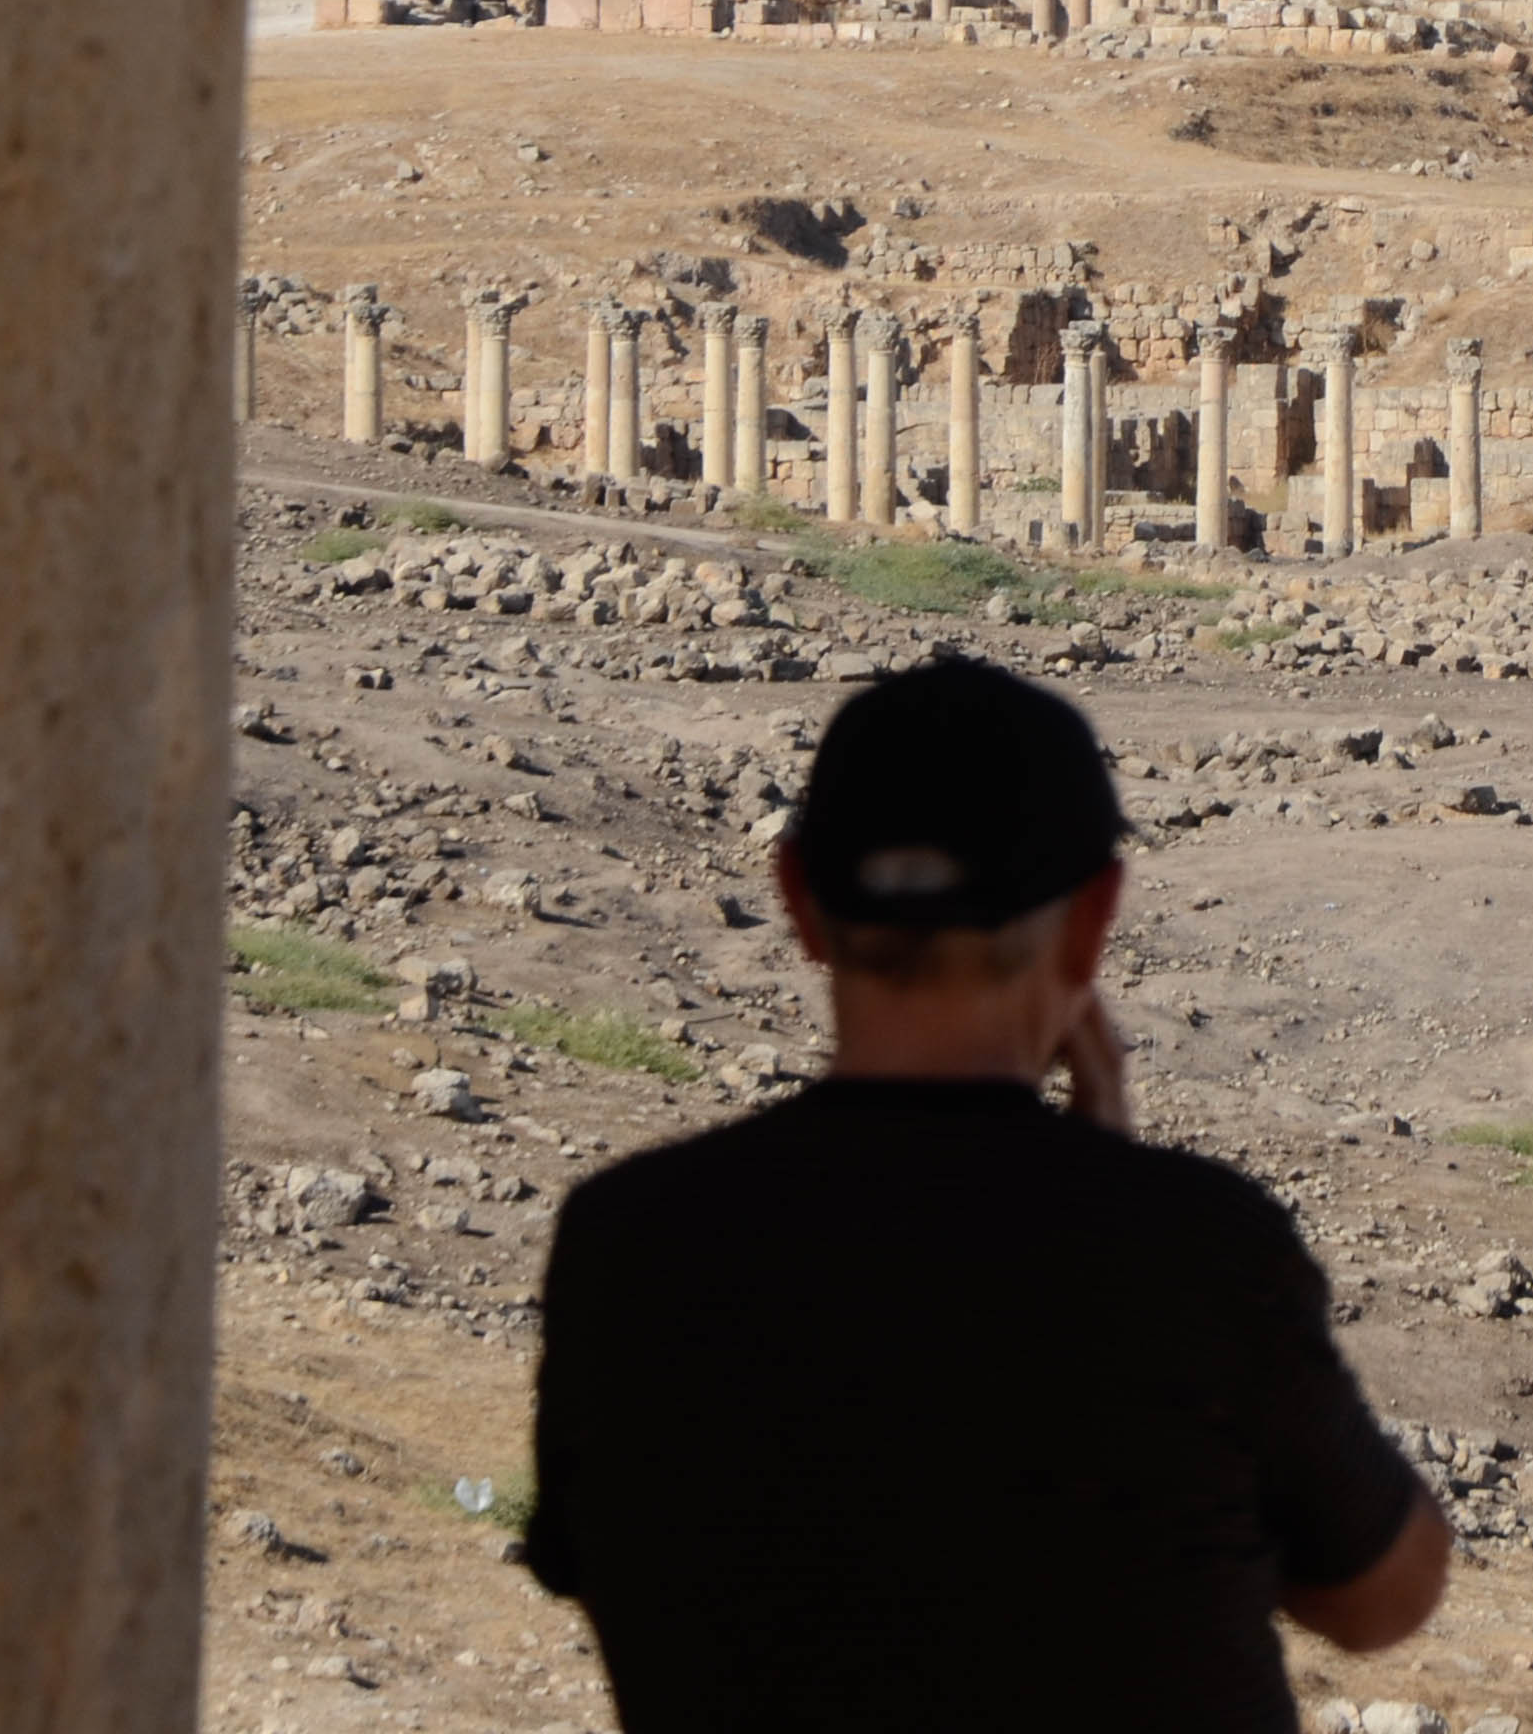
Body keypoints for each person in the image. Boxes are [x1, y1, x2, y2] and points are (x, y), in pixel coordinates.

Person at [527, 658, 1445, 1727]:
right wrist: (1114, 1179)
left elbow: (619, 1573)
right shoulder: (1194, 1253)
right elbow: (1384, 1597)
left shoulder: (629, 1244)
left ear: (797, 902)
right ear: (1095, 917)